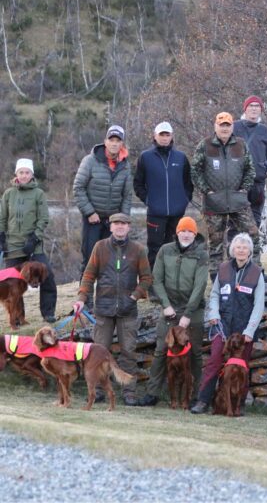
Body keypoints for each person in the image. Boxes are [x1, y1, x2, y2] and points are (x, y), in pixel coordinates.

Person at [73, 213, 153, 406]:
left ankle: (129, 393)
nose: (120, 227)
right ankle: (98, 391)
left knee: (129, 351)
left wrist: (134, 296)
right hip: (103, 309)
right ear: (110, 227)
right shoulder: (100, 247)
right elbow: (89, 275)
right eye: (116, 223)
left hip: (128, 310)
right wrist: (82, 298)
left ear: (128, 227)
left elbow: (147, 279)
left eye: (124, 224)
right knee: (98, 352)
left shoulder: (138, 250)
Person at [190, 233, 265, 415]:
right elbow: (214, 294)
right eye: (238, 247)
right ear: (232, 250)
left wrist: (250, 330)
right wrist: (213, 313)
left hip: (244, 330)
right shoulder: (223, 269)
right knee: (214, 362)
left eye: (244, 247)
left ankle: (239, 404)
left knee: (242, 366)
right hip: (222, 326)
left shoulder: (256, 273)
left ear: (249, 251)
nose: (241, 250)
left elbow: (259, 304)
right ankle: (203, 401)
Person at [138, 216, 208, 407]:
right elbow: (156, 279)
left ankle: (196, 398)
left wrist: (187, 314)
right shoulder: (165, 250)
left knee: (194, 354)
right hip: (169, 307)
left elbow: (200, 285)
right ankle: (152, 394)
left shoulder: (201, 254)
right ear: (177, 232)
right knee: (161, 350)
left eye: (190, 231)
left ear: (195, 234)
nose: (186, 234)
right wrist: (166, 305)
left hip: (193, 310)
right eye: (182, 231)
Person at [190, 112, 260, 279]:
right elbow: (195, 170)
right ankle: (215, 274)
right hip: (214, 201)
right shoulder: (205, 145)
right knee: (216, 241)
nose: (225, 128)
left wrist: (244, 189)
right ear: (216, 126)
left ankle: (254, 269)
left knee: (252, 233)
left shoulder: (241, 145)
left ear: (232, 127)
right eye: (222, 125)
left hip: (238, 199)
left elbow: (250, 169)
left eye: (227, 125)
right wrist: (206, 191)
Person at [73, 124, 132, 283]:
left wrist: (123, 221)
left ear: (122, 144)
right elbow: (78, 188)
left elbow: (127, 195)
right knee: (89, 261)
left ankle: (106, 301)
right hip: (92, 220)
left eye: (118, 140)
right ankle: (84, 301)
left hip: (113, 222)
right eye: (111, 140)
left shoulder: (125, 165)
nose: (114, 143)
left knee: (111, 262)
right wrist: (90, 212)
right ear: (105, 141)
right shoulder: (90, 161)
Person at [0, 158, 57, 322]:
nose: (24, 175)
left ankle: (48, 313)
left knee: (48, 275)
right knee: (13, 284)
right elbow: (2, 217)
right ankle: (18, 317)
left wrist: (34, 238)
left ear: (32, 174)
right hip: (13, 247)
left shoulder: (38, 194)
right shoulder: (8, 193)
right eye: (21, 172)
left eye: (27, 172)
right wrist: (1, 236)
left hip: (34, 246)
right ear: (16, 174)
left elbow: (44, 219)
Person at [133, 121, 193, 268]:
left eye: (167, 135)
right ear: (155, 136)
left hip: (176, 213)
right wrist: (149, 200)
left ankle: (170, 282)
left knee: (173, 247)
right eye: (162, 135)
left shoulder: (181, 157)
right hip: (155, 213)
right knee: (155, 249)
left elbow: (188, 183)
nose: (164, 138)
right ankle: (153, 284)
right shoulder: (145, 157)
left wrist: (184, 201)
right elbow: (138, 184)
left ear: (172, 136)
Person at [233, 96, 267, 228]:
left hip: (257, 184)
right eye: (251, 106)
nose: (254, 108)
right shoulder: (234, 127)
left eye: (257, 106)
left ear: (261, 110)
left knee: (255, 221)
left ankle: (253, 248)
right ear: (245, 109)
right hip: (237, 183)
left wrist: (265, 167)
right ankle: (234, 248)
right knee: (235, 221)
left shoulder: (265, 130)